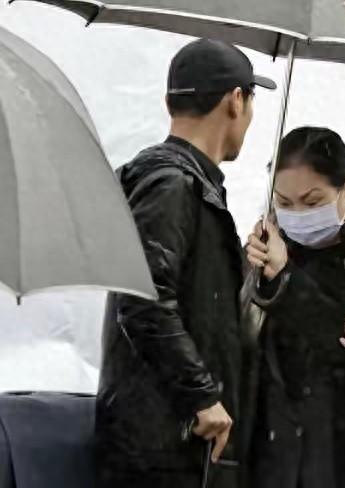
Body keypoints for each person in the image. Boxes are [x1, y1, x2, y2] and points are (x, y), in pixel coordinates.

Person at [95, 38, 275, 488]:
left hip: (171, 443)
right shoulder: (172, 184)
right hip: (162, 449)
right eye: (251, 101)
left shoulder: (186, 184)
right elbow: (144, 299)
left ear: (168, 102)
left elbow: (202, 308)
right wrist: (201, 396)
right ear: (236, 101)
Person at [244, 126, 345, 488]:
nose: (298, 214)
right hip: (274, 453)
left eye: (312, 202)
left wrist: (285, 279)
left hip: (344, 451)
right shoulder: (265, 252)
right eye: (284, 203)